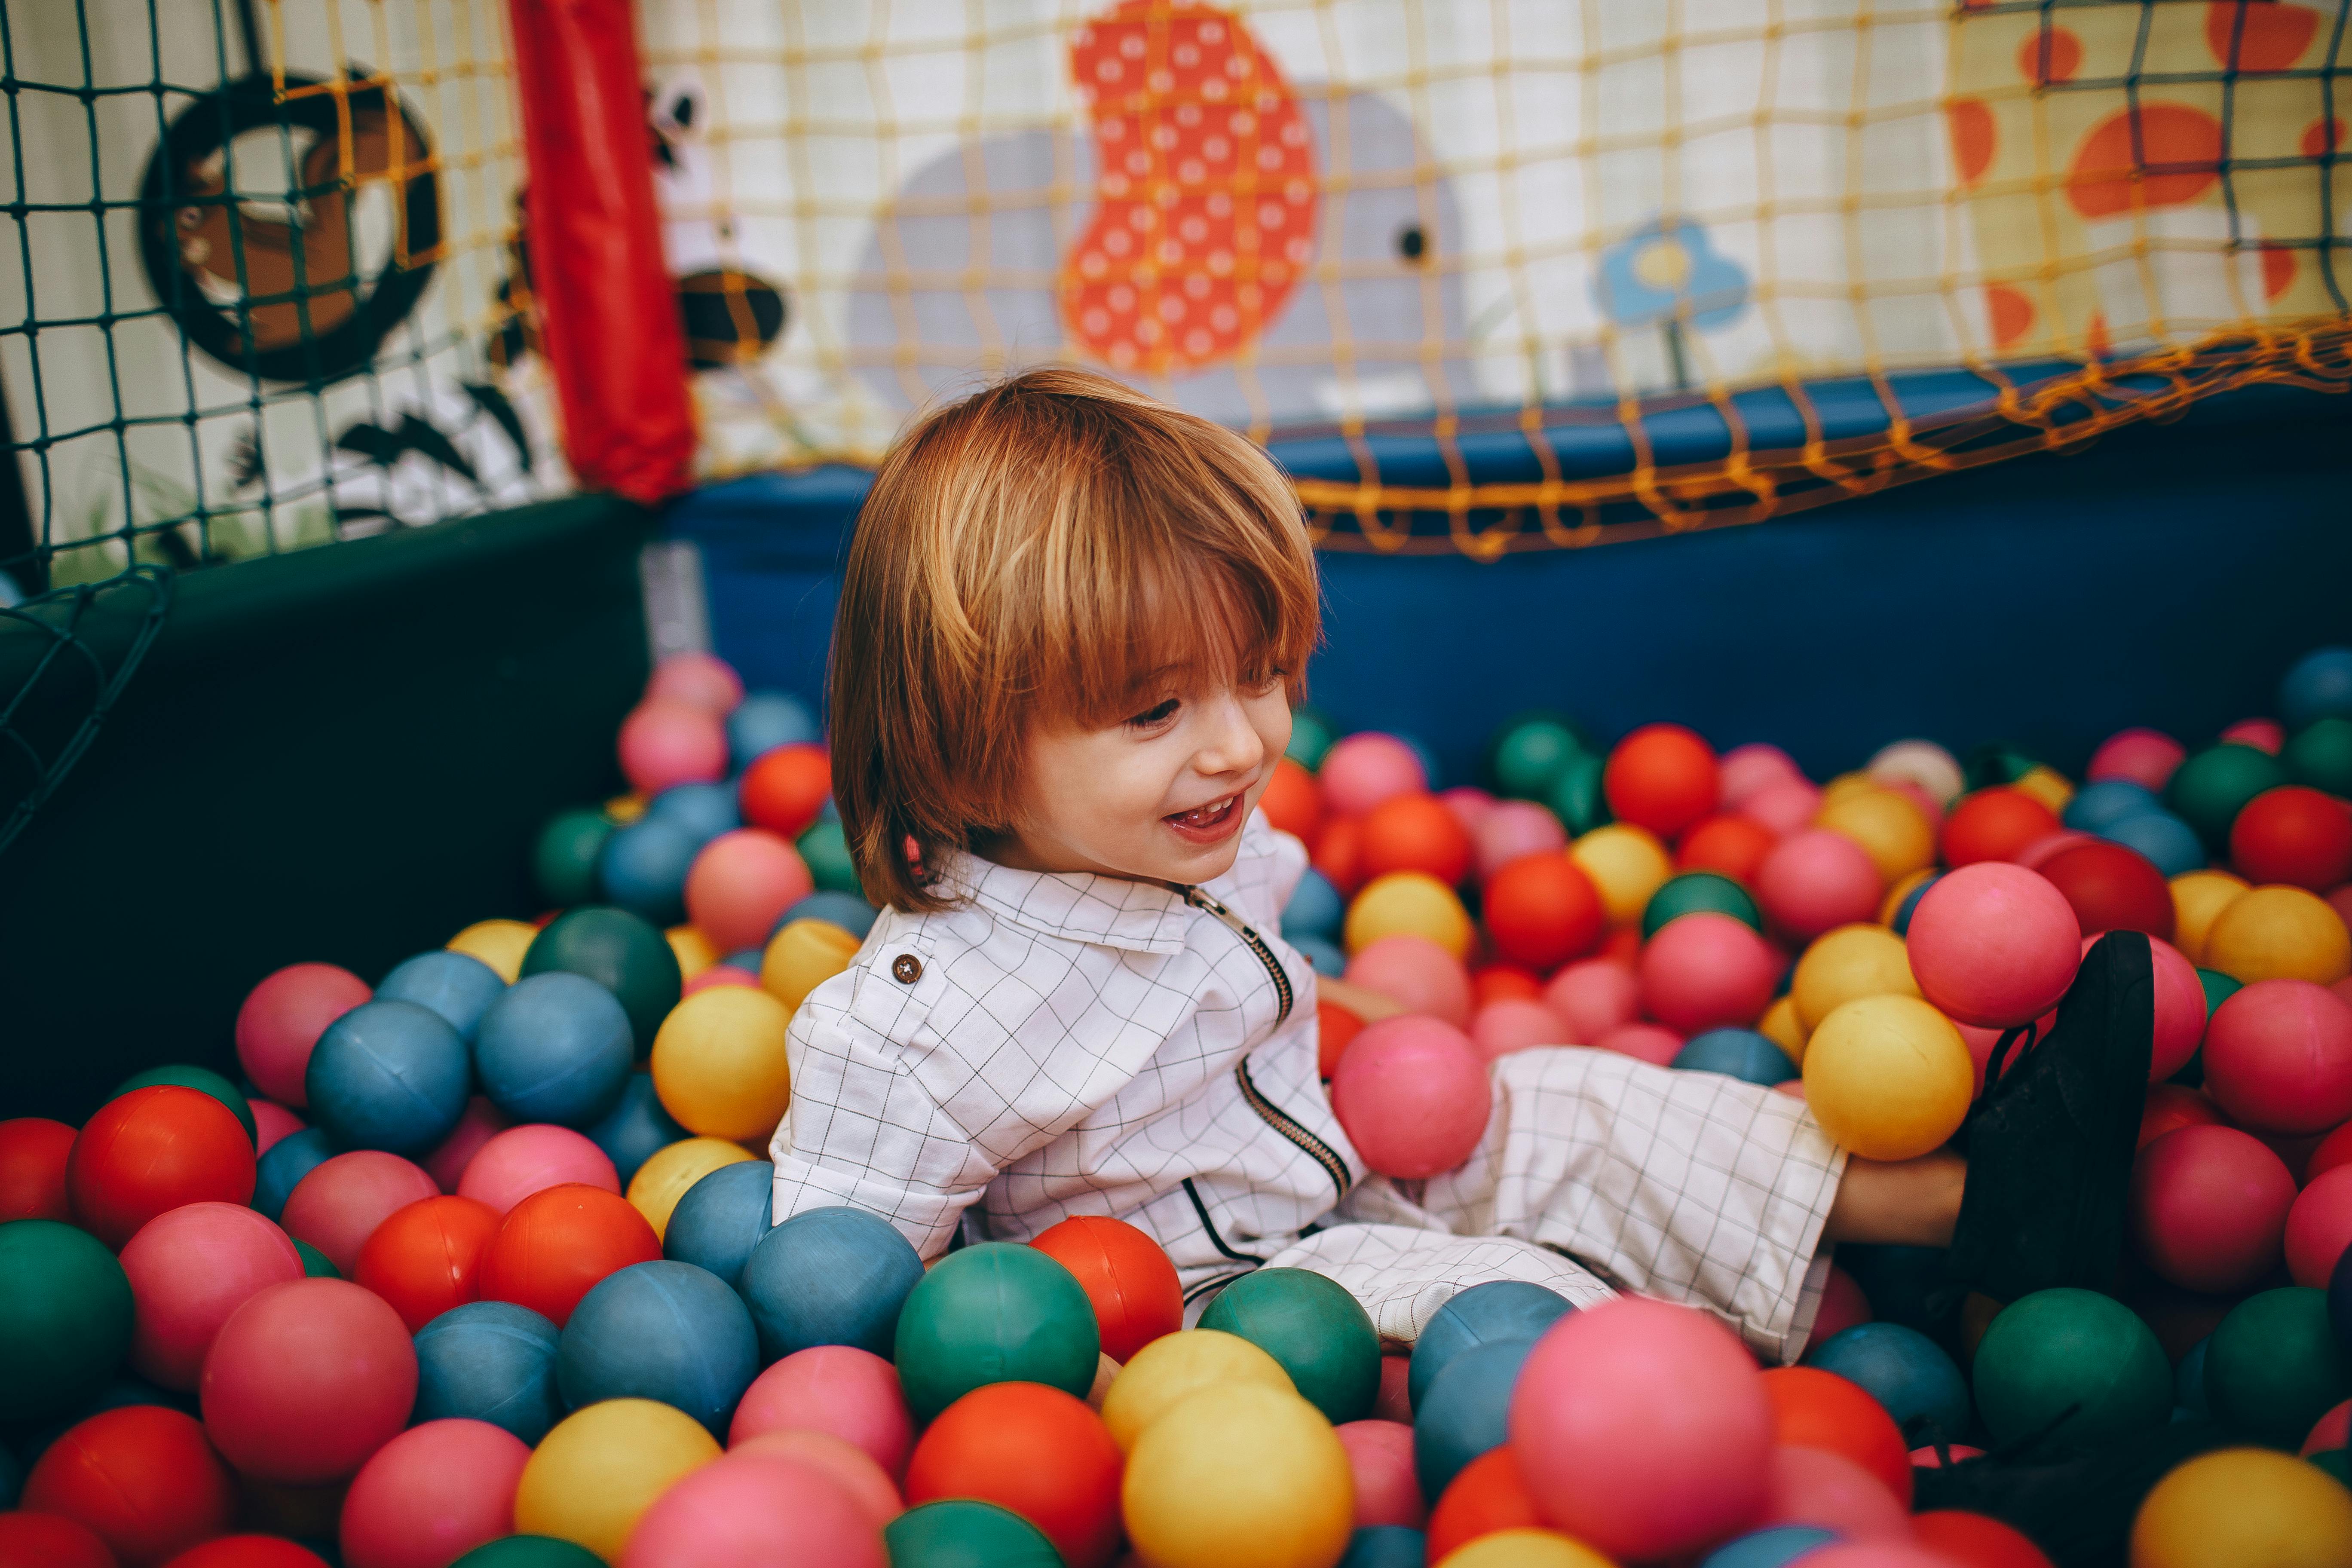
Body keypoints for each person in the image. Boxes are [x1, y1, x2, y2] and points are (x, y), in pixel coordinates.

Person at [768, 364, 2153, 1371]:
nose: (1242, 744)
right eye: (1153, 711)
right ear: (961, 750)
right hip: (1225, 1318)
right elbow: (840, 1282)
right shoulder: (917, 1021)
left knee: (1573, 1106)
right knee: (1509, 1304)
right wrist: (1067, 1377)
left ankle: (1992, 1208)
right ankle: (1820, 1448)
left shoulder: (1161, 839)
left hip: (1339, 1163)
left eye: (1262, 675)